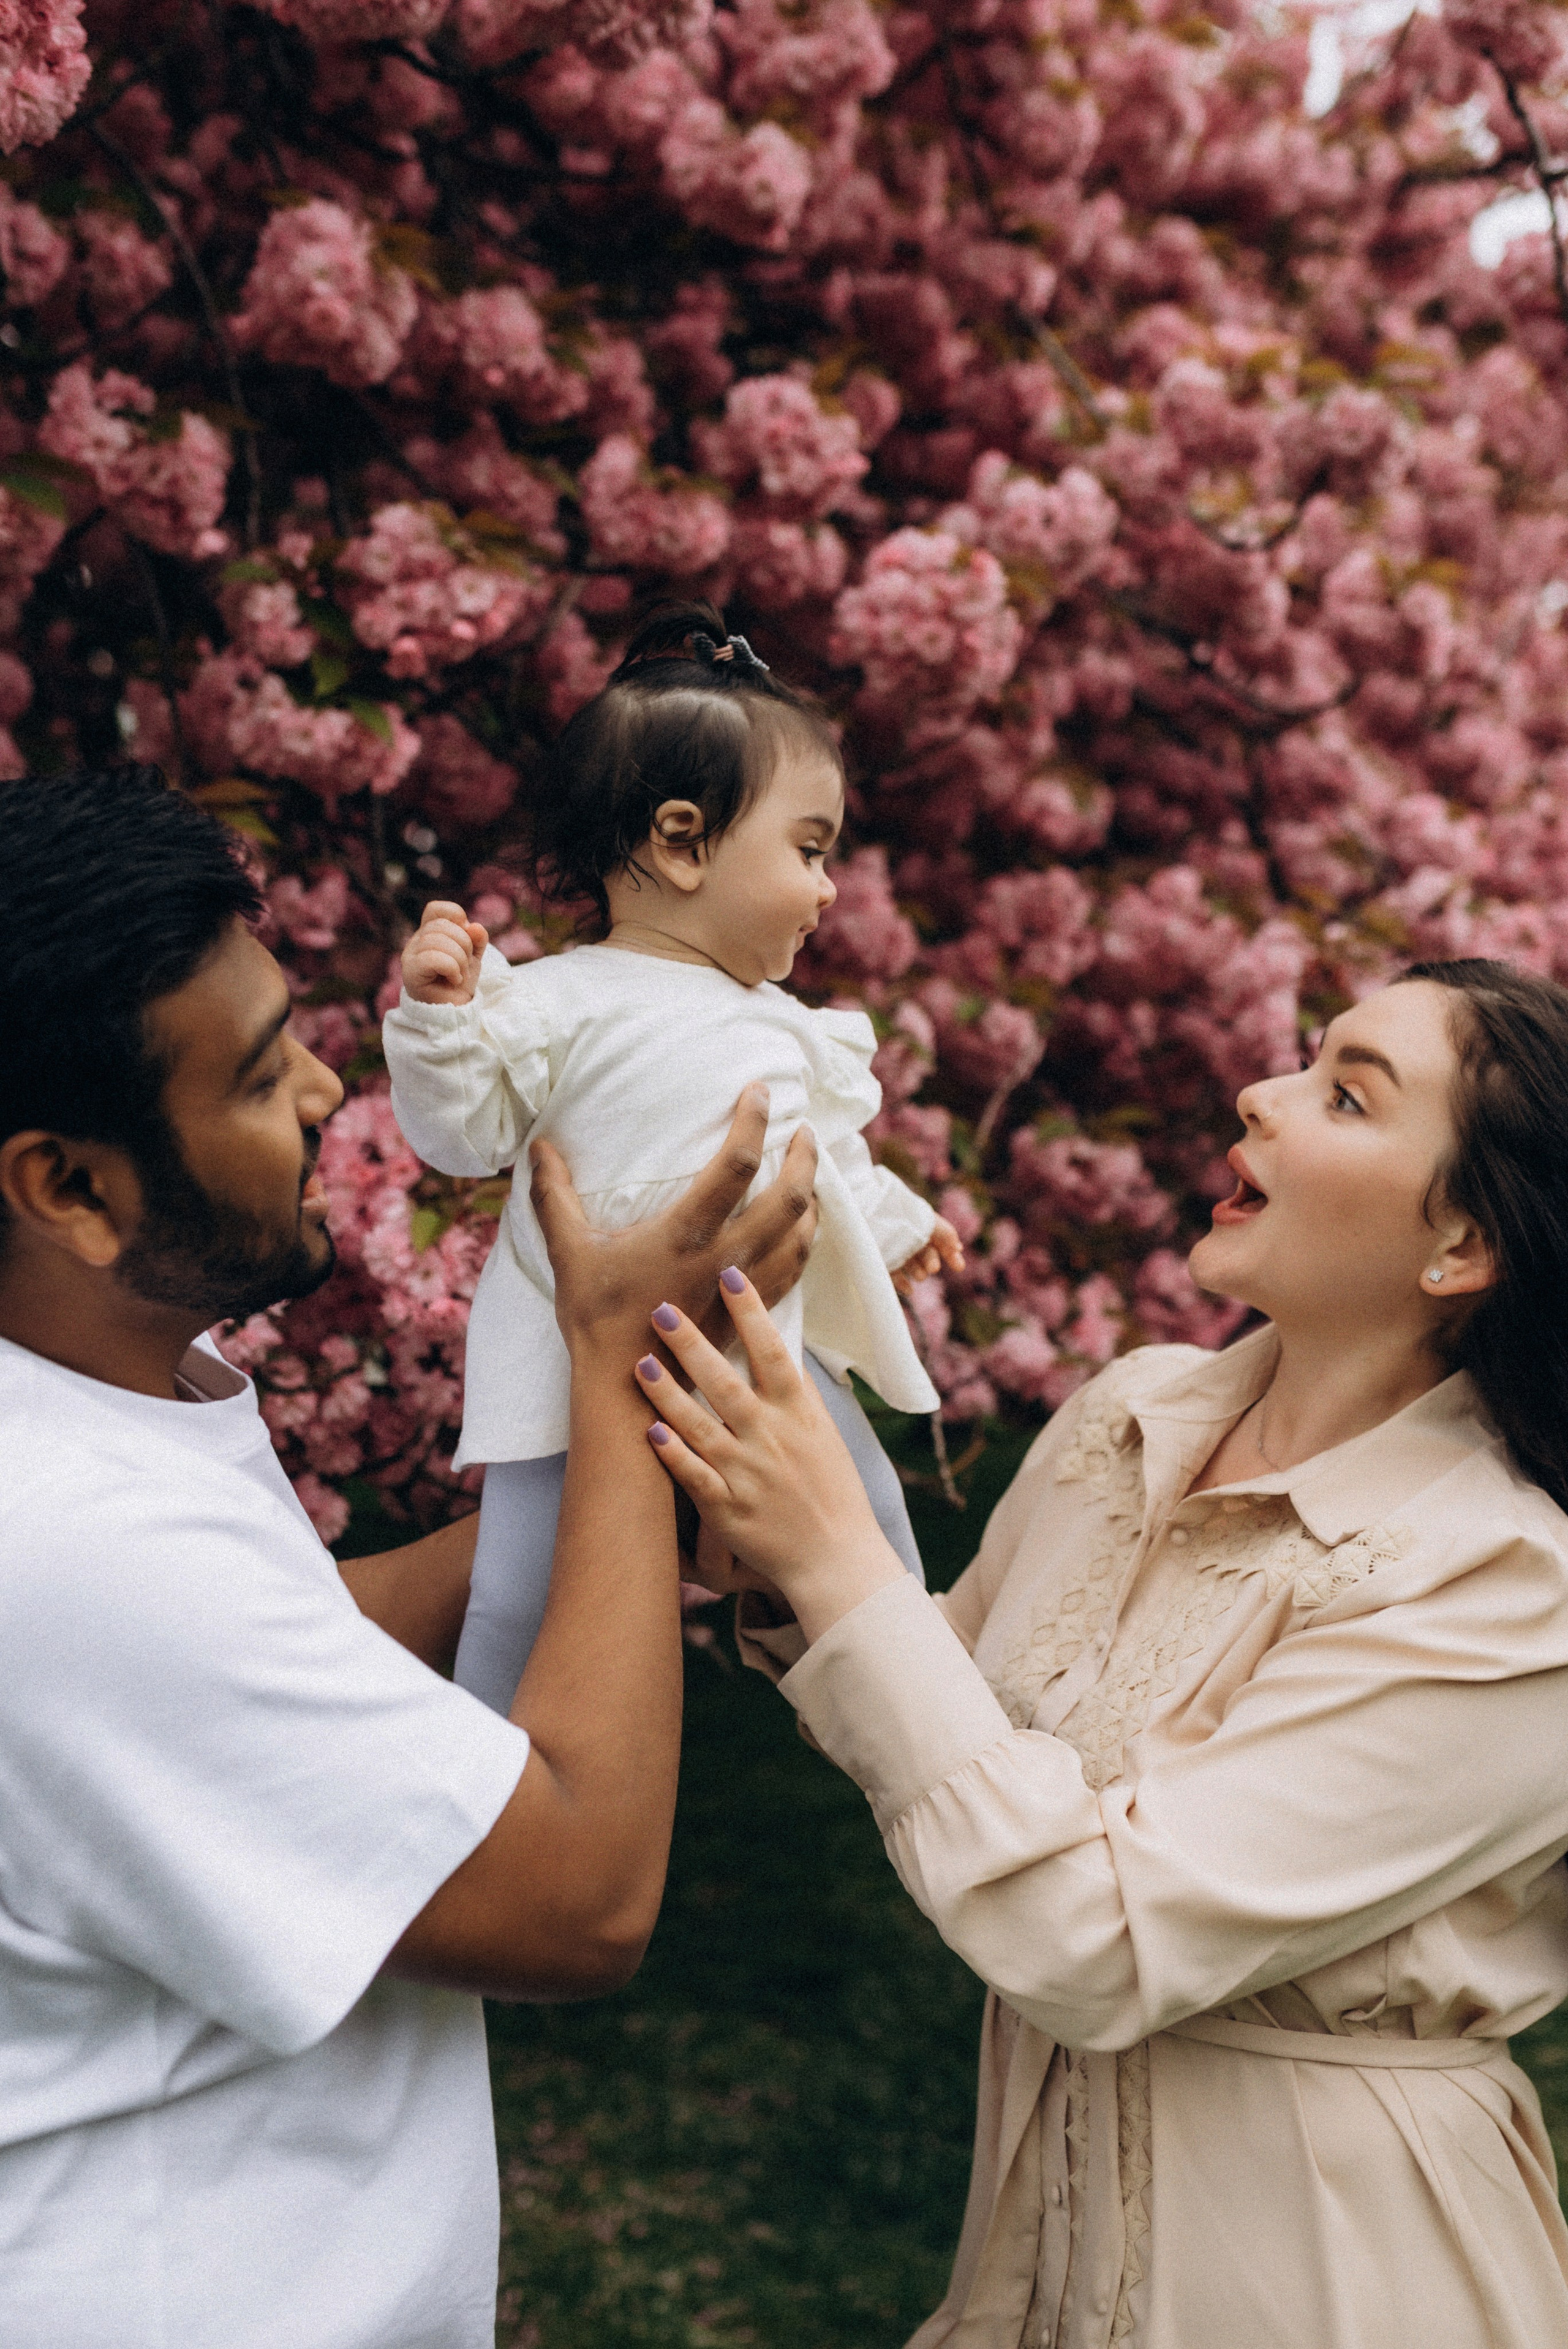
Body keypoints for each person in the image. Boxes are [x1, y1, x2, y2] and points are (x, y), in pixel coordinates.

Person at [628, 960, 1568, 2349]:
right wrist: (769, 1545)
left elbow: (1092, 1935)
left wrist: (836, 1560)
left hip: (1333, 2279)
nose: (1258, 1091)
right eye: (1303, 1060)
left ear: (1460, 1250)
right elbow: (951, 1713)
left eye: (1345, 1095)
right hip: (1038, 2261)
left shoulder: (1508, 1590)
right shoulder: (1126, 1414)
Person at [0, 763, 818, 2349]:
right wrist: (606, 1352)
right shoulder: (78, 1547)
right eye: (251, 1077)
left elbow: (294, 1643)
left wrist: (628, 1483)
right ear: (70, 1187)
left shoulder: (89, 1418)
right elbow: (579, 1900)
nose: (321, 1092)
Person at [383, 599, 963, 1713]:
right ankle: (489, 1762)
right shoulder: (555, 1000)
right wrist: (443, 1021)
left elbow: (824, 1159)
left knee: (868, 1515)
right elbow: (465, 1136)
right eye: (808, 849)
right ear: (681, 840)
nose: (830, 888)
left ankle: (935, 1711)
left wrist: (899, 1224)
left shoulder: (783, 1020)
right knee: (518, 1591)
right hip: (577, 1367)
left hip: (755, 1351)